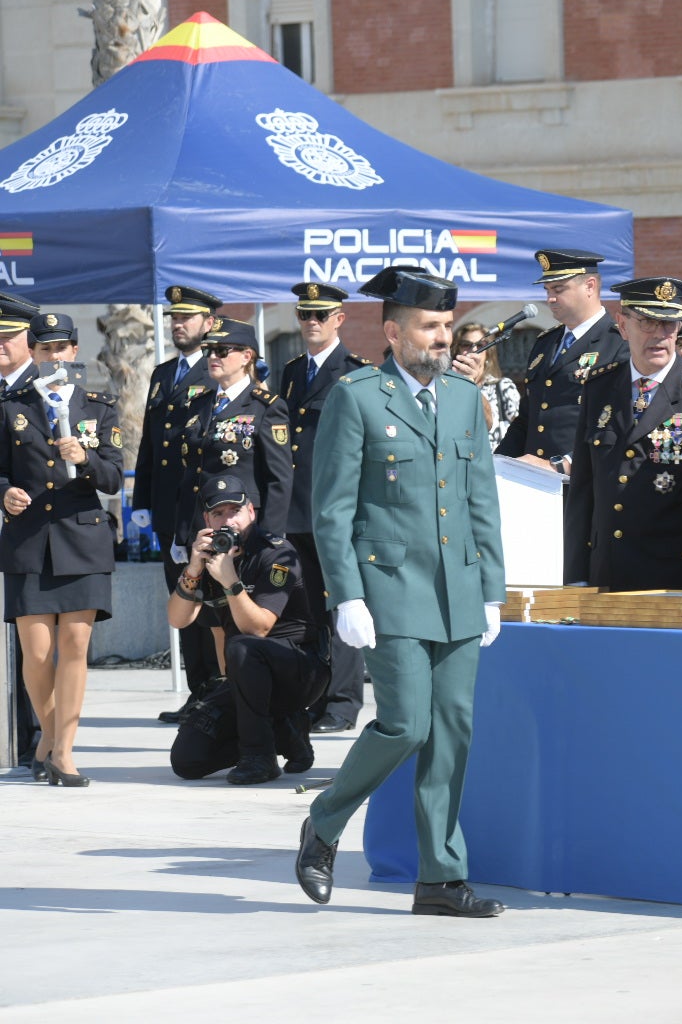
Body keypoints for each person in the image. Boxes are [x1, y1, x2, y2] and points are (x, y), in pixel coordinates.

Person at [295, 265, 506, 919]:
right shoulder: (358, 396)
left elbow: (480, 501)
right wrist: (345, 596)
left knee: (452, 732)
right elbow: (331, 509)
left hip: (459, 592)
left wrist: (492, 589)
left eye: (447, 325)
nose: (442, 338)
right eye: (429, 325)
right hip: (389, 590)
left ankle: (441, 878)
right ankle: (324, 824)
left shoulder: (468, 399)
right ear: (393, 330)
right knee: (407, 724)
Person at [0, 312, 121, 786]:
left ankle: (63, 752)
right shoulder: (11, 407)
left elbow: (112, 477)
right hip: (29, 540)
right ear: (33, 351)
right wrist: (3, 494)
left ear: (74, 351)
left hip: (82, 536)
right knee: (37, 650)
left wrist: (84, 458)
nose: (53, 356)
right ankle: (48, 738)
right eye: (44, 348)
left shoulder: (98, 407)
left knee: (75, 645)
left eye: (60, 348)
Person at [167, 475, 329, 785]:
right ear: (207, 519)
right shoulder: (210, 557)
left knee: (241, 646)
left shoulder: (276, 552)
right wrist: (193, 570)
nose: (228, 520)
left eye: (234, 511)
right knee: (187, 761)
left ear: (251, 512)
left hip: (299, 669)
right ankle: (285, 733)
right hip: (248, 678)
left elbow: (259, 628)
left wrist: (230, 581)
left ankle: (260, 757)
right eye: (218, 513)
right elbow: (178, 619)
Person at [565, 277, 682, 590]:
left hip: (676, 576)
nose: (660, 336)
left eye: (669, 325)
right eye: (648, 323)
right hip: (607, 573)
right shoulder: (600, 387)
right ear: (623, 326)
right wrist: (576, 575)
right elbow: (582, 488)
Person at [278, 282, 370, 735]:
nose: (311, 322)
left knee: (343, 607)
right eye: (303, 315)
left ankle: (343, 702)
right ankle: (317, 696)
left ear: (339, 319)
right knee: (309, 611)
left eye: (320, 315)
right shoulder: (292, 372)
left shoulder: (354, 373)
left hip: (336, 508)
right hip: (296, 508)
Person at [133, 286, 220, 723]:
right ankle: (198, 689)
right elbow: (150, 445)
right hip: (168, 510)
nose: (177, 324)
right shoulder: (163, 373)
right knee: (183, 601)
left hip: (203, 510)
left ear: (208, 323)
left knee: (210, 605)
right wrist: (140, 500)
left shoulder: (219, 370)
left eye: (187, 317)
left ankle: (218, 692)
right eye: (173, 318)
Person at [495, 249, 628, 473]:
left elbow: (618, 422)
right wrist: (498, 462)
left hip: (584, 482)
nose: (550, 299)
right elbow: (528, 417)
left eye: (559, 289)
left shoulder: (619, 344)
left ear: (590, 286)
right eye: (547, 290)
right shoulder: (546, 343)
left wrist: (561, 465)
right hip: (534, 482)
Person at [174, 317, 291, 559]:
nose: (212, 357)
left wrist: (270, 537)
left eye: (222, 351)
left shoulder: (266, 407)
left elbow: (279, 479)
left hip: (244, 532)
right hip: (200, 530)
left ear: (247, 356)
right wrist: (181, 533)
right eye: (208, 350)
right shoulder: (198, 404)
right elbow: (190, 474)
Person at [0, 292, 42, 771]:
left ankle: (35, 738)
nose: (1, 347)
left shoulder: (49, 390)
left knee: (29, 646)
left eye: (8, 338)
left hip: (32, 534)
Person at [451, 322, 522, 450]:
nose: (473, 350)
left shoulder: (503, 386)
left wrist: (470, 384)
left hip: (496, 464)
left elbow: (520, 430)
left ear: (488, 353)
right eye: (466, 345)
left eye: (480, 345)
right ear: (457, 349)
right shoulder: (447, 386)